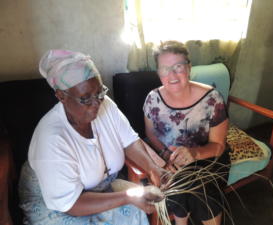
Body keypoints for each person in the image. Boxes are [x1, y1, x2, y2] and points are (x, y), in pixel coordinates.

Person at [18, 49, 165, 225]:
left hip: (98, 190)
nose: (96, 103)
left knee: (134, 211)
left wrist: (154, 169)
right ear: (61, 96)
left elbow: (130, 142)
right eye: (85, 98)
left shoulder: (106, 105)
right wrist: (127, 196)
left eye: (99, 92)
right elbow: (70, 204)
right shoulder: (51, 138)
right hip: (57, 205)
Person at [143, 41, 230, 225]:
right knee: (181, 179)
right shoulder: (153, 99)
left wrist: (194, 154)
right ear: (158, 72)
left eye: (178, 67)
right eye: (165, 69)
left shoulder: (211, 99)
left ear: (188, 68)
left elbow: (219, 146)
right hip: (170, 159)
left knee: (199, 188)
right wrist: (167, 155)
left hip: (208, 158)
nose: (172, 75)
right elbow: (150, 134)